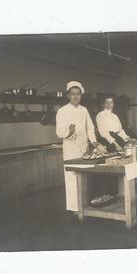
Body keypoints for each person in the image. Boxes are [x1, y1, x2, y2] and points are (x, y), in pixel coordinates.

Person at [56, 81, 105, 211]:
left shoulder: (84, 110)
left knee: (85, 178)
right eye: (72, 94)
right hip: (71, 149)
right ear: (68, 96)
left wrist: (95, 142)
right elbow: (59, 132)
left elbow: (90, 128)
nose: (75, 97)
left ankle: (84, 206)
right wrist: (69, 131)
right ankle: (74, 209)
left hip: (84, 149)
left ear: (81, 96)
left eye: (78, 94)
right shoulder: (62, 111)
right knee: (72, 178)